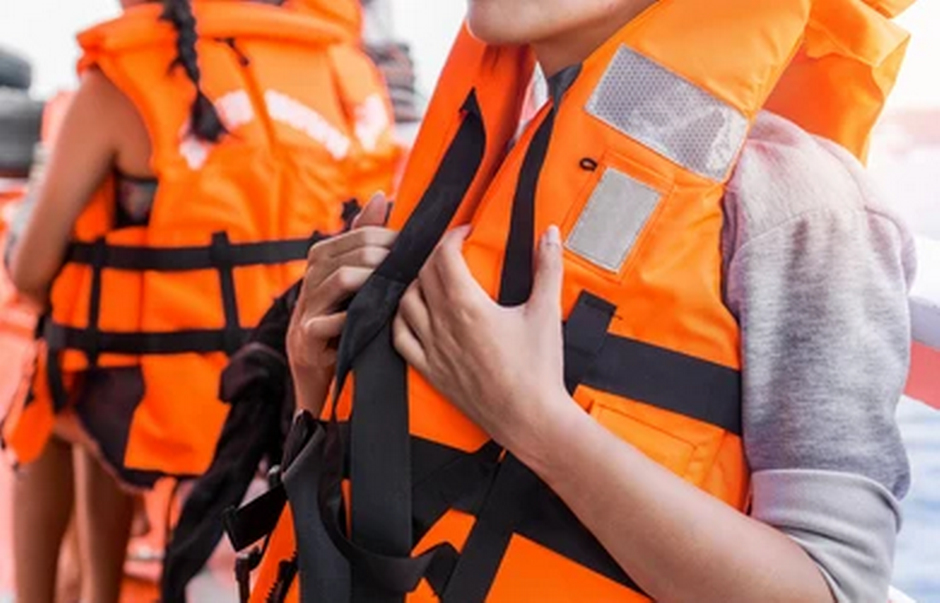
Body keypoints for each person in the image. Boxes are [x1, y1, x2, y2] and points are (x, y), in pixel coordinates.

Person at [235, 0, 916, 601]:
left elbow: (832, 588)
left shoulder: (803, 205)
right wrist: (321, 381)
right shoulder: (487, 160)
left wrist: (536, 422)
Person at [1, 0, 398, 601]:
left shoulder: (123, 77)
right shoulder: (347, 71)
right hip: (290, 400)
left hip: (169, 408)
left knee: (52, 382)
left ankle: (78, 589)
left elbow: (31, 273)